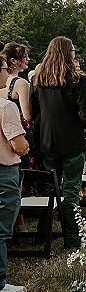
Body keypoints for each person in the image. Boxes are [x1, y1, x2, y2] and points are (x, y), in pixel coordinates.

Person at [31, 36, 86, 249]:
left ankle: (43, 233)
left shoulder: (38, 79)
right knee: (71, 190)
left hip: (47, 140)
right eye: (73, 50)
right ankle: (72, 239)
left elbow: (35, 111)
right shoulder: (76, 79)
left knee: (51, 188)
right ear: (68, 53)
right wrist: (78, 123)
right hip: (72, 141)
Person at [0, 42, 37, 233]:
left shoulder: (2, 85)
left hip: (3, 134)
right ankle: (19, 224)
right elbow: (27, 115)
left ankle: (17, 221)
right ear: (14, 61)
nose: (28, 59)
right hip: (19, 131)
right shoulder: (20, 83)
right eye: (25, 56)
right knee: (21, 175)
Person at [0, 52, 29, 292]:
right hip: (4, 171)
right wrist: (25, 146)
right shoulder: (6, 106)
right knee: (1, 231)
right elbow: (19, 145)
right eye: (2, 69)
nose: (5, 73)